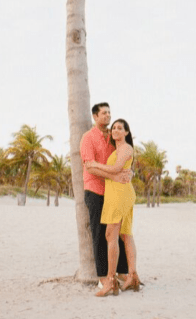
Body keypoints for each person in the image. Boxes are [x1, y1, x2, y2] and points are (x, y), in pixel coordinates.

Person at [85, 118, 142, 297]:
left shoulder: (126, 148)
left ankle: (110, 281)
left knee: (111, 235)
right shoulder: (118, 149)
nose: (116, 130)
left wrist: (94, 164)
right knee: (125, 235)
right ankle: (132, 276)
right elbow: (115, 171)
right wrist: (102, 169)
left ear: (126, 132)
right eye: (114, 128)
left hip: (119, 195)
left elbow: (117, 168)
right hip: (118, 193)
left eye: (120, 128)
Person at [80, 103, 130, 284]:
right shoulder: (88, 138)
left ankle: (122, 271)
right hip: (94, 191)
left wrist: (128, 172)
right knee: (100, 234)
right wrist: (115, 175)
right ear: (95, 116)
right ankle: (103, 277)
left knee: (118, 233)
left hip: (113, 192)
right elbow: (90, 167)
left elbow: (124, 157)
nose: (108, 116)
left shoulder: (114, 136)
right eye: (103, 113)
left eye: (109, 112)